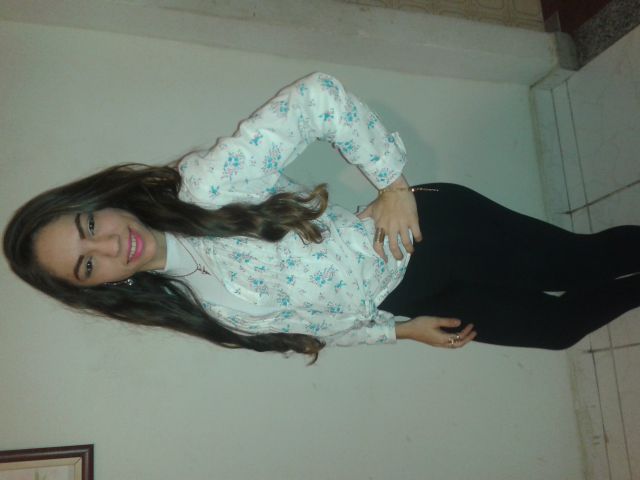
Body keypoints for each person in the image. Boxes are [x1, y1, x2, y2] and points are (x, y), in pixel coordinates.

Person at [4, 72, 639, 361]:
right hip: (408, 301)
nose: (109, 247)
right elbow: (312, 327)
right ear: (102, 285)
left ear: (100, 203)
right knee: (557, 330)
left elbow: (316, 99)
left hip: (429, 236)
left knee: (582, 264)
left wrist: (393, 185)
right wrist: (399, 333)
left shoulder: (204, 188)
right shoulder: (194, 305)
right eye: (88, 266)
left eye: (90, 227)